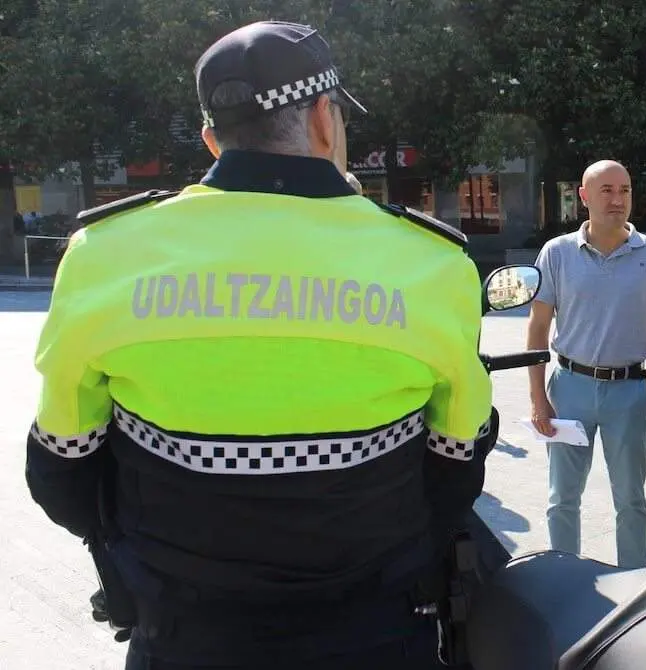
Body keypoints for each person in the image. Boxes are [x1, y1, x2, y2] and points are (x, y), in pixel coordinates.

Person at [23, 20, 497, 669]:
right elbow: (455, 468)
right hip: (376, 635)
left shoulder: (104, 253)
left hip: (182, 637)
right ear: (327, 120)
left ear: (211, 138)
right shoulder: (434, 264)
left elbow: (62, 472)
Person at [527, 159, 646, 568]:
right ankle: (564, 577)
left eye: (625, 190)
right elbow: (538, 326)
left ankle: (634, 585)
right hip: (568, 390)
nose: (618, 199)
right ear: (583, 196)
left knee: (631, 500)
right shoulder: (556, 253)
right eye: (607, 190)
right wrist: (537, 400)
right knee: (562, 499)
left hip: (629, 393)